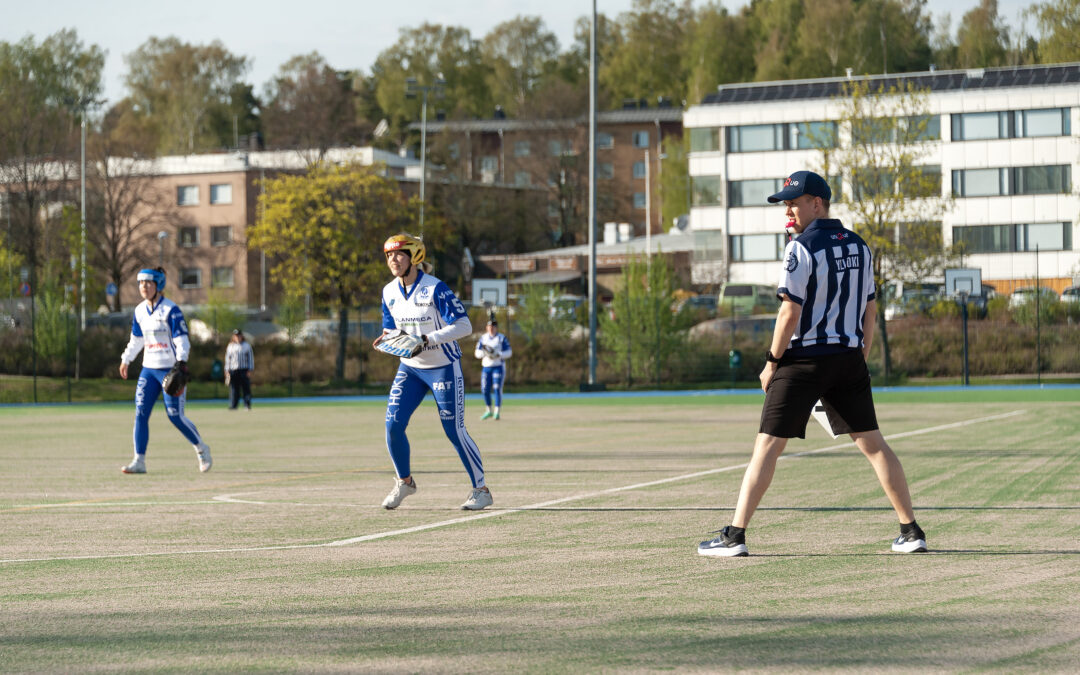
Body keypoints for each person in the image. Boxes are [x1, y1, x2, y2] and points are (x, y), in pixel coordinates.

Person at [697, 171, 926, 557]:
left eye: (794, 202)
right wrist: (861, 353)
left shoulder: (799, 248)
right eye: (786, 203)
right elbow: (871, 309)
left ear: (816, 203)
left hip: (803, 361)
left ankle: (735, 536)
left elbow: (789, 312)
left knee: (767, 447)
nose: (788, 210)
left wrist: (771, 362)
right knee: (874, 445)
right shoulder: (860, 246)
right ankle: (911, 530)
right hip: (848, 358)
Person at [375, 233, 493, 511]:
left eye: (399, 254)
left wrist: (427, 340)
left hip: (443, 368)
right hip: (411, 368)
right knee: (392, 425)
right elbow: (392, 329)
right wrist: (387, 339)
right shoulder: (388, 292)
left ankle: (481, 490)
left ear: (414, 257)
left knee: (454, 430)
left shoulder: (435, 288)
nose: (393, 260)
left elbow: (464, 326)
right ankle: (405, 482)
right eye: (389, 255)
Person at [118, 267, 211, 474]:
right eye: (141, 283)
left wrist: (181, 363)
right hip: (148, 371)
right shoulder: (139, 311)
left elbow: (181, 340)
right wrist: (126, 359)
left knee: (175, 416)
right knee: (140, 414)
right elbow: (137, 340)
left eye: (148, 283)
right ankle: (139, 461)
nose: (144, 287)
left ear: (158, 285)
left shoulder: (171, 310)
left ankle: (201, 449)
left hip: (170, 371)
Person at [474, 318, 512, 420]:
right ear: (487, 328)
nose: (491, 329)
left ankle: (497, 412)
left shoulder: (501, 338)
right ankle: (488, 410)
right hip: (486, 368)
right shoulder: (483, 338)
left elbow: (509, 352)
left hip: (498, 367)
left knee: (497, 388)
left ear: (496, 328)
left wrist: (498, 354)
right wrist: (485, 353)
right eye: (490, 327)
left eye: (493, 327)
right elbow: (477, 353)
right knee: (485, 389)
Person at [225, 329, 254, 410]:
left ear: (242, 336)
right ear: (233, 337)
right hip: (233, 370)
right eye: (236, 336)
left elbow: (250, 358)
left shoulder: (247, 346)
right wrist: (227, 370)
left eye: (239, 335)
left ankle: (247, 405)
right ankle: (234, 405)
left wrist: (250, 369)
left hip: (244, 369)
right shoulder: (230, 346)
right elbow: (228, 359)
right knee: (234, 389)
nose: (237, 337)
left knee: (246, 388)